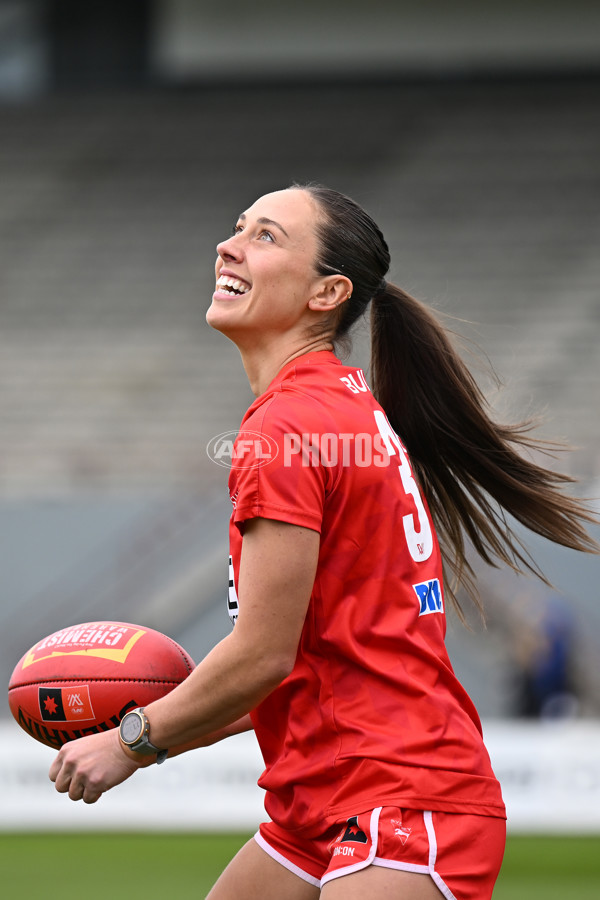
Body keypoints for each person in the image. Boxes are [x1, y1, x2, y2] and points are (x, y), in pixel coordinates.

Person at [49, 184, 597, 899]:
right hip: (322, 804)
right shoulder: (339, 406)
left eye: (266, 236)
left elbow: (263, 654)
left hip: (400, 799)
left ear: (327, 292)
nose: (229, 244)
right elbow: (293, 666)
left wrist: (133, 740)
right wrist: (156, 727)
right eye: (238, 226)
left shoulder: (287, 426)